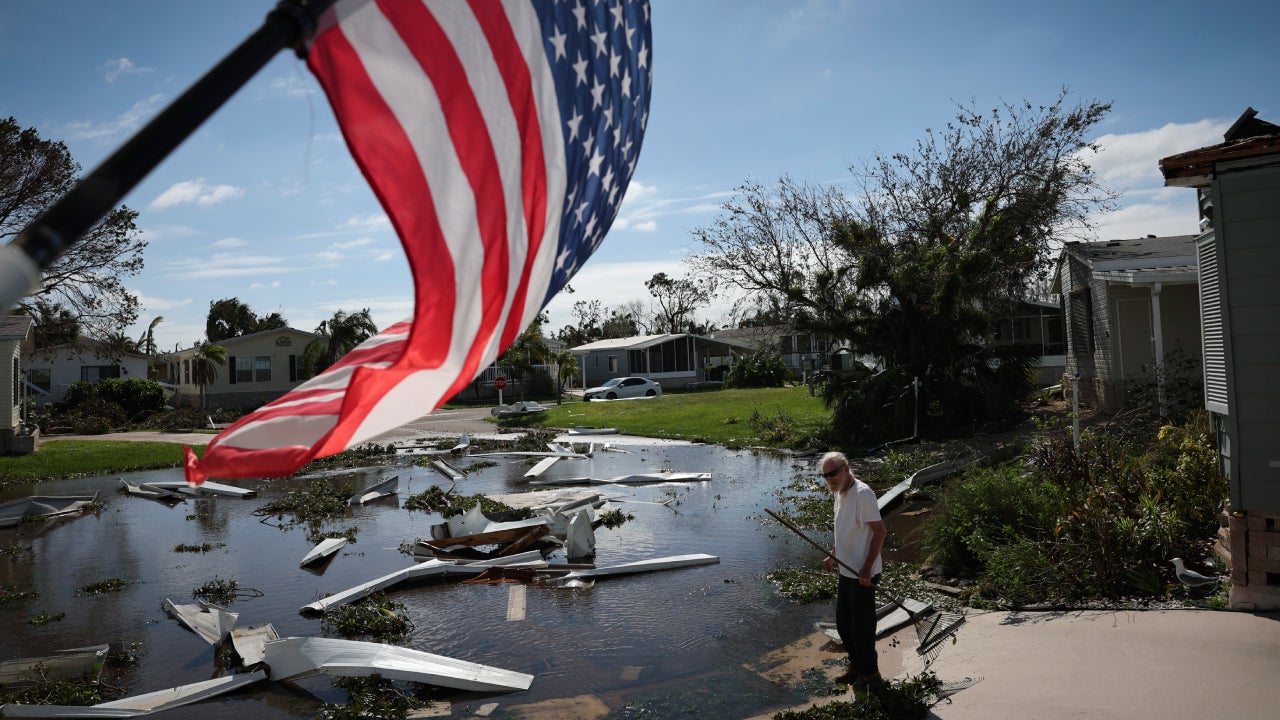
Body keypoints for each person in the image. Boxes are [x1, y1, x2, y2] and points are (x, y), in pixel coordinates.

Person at [820, 451, 886, 687]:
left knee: (862, 628)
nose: (830, 479)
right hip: (846, 571)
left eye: (833, 473)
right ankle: (856, 667)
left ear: (846, 468)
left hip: (863, 574)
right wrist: (833, 555)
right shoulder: (838, 494)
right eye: (826, 476)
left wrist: (867, 568)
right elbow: (845, 531)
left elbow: (880, 532)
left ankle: (871, 674)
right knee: (843, 625)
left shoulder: (863, 494)